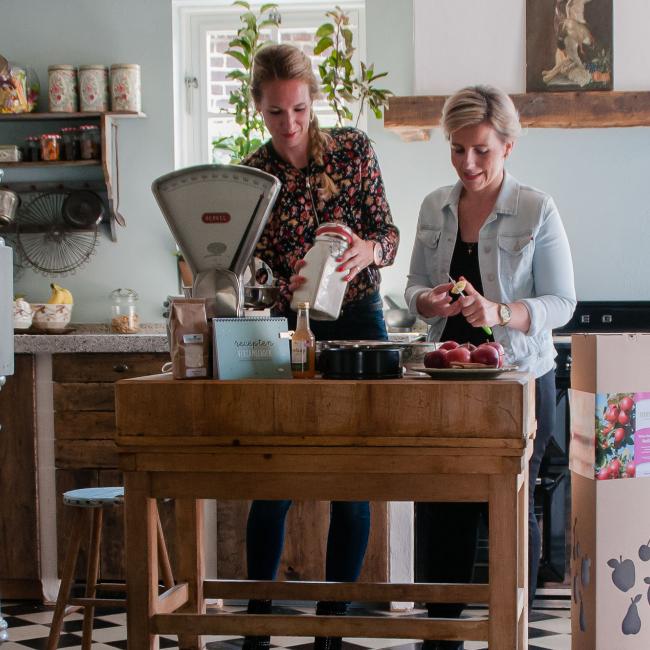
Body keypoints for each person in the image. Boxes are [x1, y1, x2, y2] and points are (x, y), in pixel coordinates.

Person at [404, 85, 576, 650]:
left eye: (480, 150)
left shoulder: (537, 208)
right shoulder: (434, 206)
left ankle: (510, 631)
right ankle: (442, 635)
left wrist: (502, 311)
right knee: (439, 507)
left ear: (508, 146)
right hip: (445, 378)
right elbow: (411, 288)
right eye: (457, 150)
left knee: (509, 506)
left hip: (518, 382)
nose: (468, 163)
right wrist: (427, 302)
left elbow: (562, 302)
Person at [242, 43, 400, 650]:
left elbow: (386, 232)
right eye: (277, 112)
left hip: (359, 316)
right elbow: (247, 268)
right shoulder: (255, 176)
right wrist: (285, 284)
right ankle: (258, 618)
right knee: (273, 471)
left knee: (353, 475)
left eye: (300, 109)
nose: (291, 125)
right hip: (292, 326)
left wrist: (366, 249)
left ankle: (331, 623)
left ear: (314, 101)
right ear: (259, 107)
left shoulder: (354, 151)